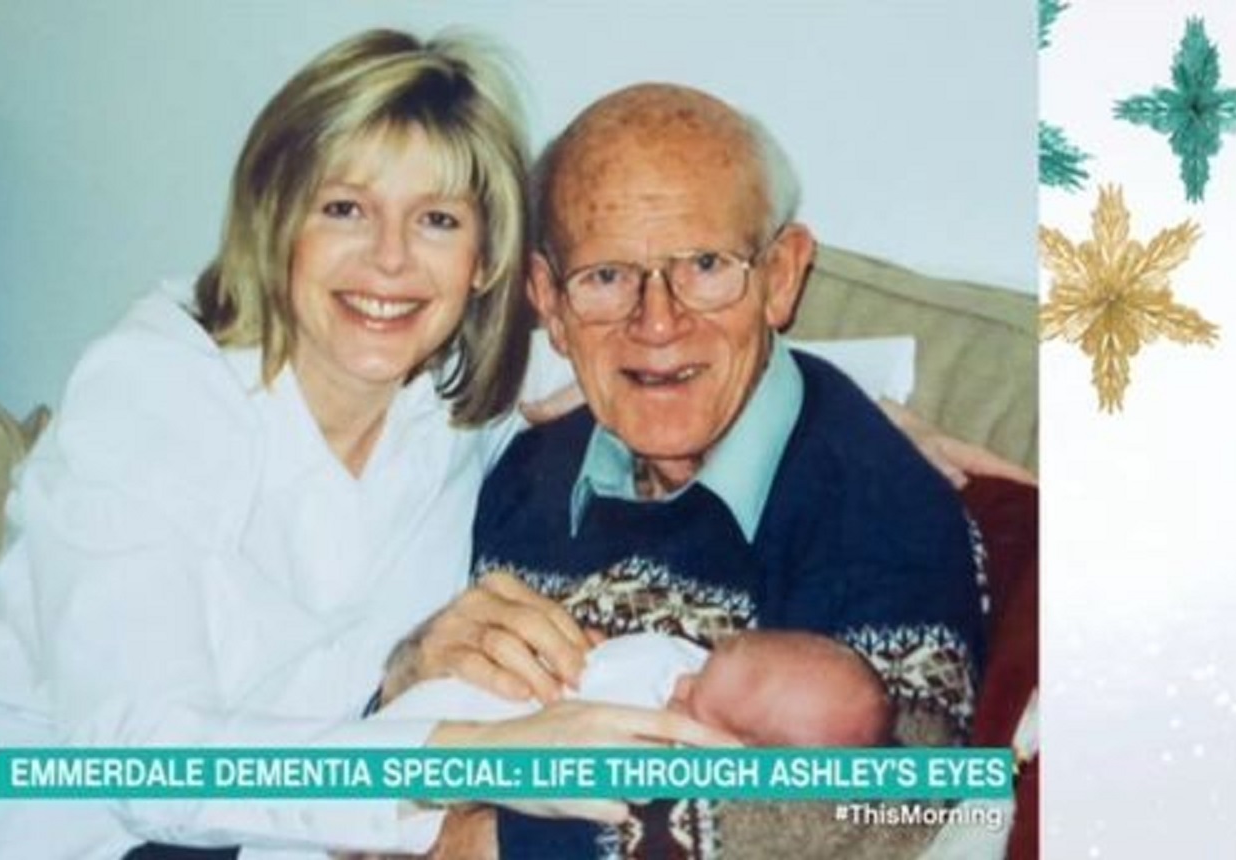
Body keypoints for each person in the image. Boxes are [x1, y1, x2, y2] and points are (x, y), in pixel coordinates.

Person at [0, 32, 735, 860]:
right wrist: (479, 755)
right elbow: (143, 762)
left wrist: (867, 417)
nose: (390, 259)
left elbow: (684, 345)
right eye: (344, 209)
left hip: (285, 830)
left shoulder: (460, 405)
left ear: (483, 261)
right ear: (276, 222)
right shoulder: (155, 389)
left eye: (436, 220)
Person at [384, 83, 988, 858]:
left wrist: (502, 843)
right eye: (605, 277)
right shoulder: (526, 465)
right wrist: (406, 675)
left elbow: (892, 814)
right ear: (549, 303)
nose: (657, 322)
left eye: (704, 265)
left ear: (780, 276)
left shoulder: (880, 508)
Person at [380, 624, 894, 749]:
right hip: (418, 705)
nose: (682, 683)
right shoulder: (695, 667)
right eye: (704, 665)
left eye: (695, 703)